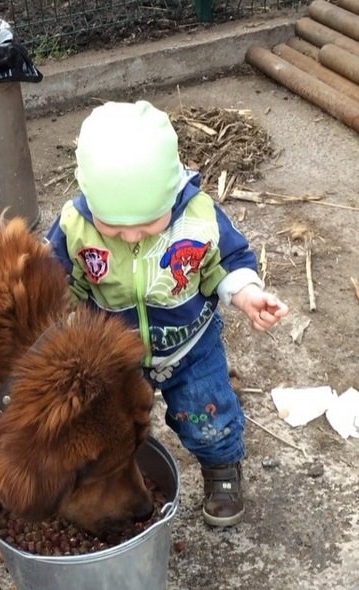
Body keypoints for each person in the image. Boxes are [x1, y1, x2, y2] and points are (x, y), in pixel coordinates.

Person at [45, 100, 289, 527]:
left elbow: (228, 261)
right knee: (117, 424)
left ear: (172, 190)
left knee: (206, 414)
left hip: (190, 349)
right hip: (113, 356)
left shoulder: (197, 217)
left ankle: (222, 468)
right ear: (88, 197)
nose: (132, 234)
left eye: (148, 222)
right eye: (115, 226)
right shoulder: (75, 226)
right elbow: (55, 279)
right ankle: (126, 469)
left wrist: (248, 294)